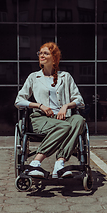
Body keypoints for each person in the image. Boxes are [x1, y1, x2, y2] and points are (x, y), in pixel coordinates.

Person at [15, 42, 85, 178]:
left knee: (79, 120)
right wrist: (39, 105)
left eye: (46, 53)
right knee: (65, 127)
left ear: (54, 58)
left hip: (62, 118)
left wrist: (65, 106)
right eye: (40, 53)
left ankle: (59, 165)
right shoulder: (34, 77)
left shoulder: (65, 76)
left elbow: (79, 100)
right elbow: (19, 101)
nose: (42, 55)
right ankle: (35, 163)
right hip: (41, 118)